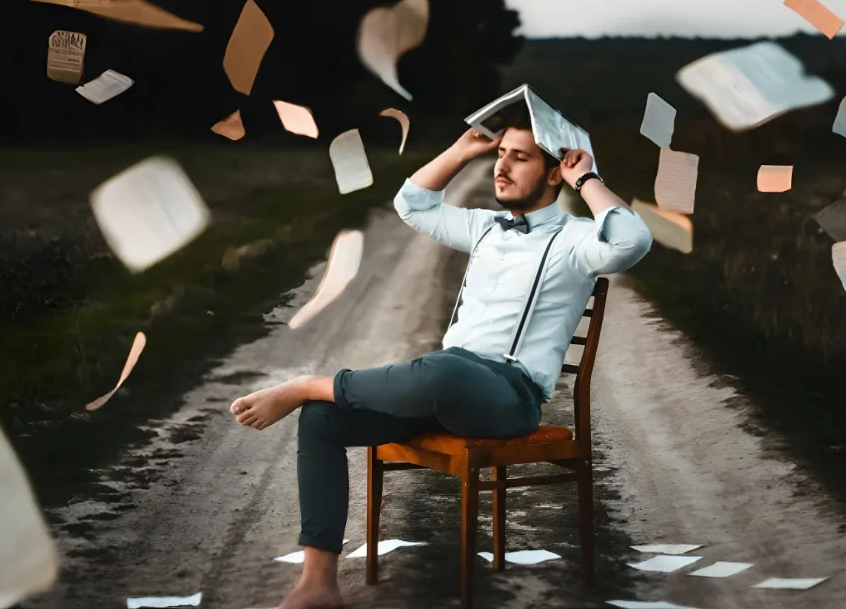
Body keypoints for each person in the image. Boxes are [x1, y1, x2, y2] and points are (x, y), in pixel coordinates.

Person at [229, 113, 653, 609]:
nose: (503, 167)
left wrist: (589, 177)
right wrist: (461, 151)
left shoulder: (578, 239)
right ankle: (318, 585)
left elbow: (632, 241)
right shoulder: (485, 227)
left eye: (520, 157)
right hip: (448, 383)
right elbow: (411, 204)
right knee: (325, 418)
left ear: (556, 171)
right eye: (501, 154)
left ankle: (308, 384)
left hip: (508, 398)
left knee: (443, 370)